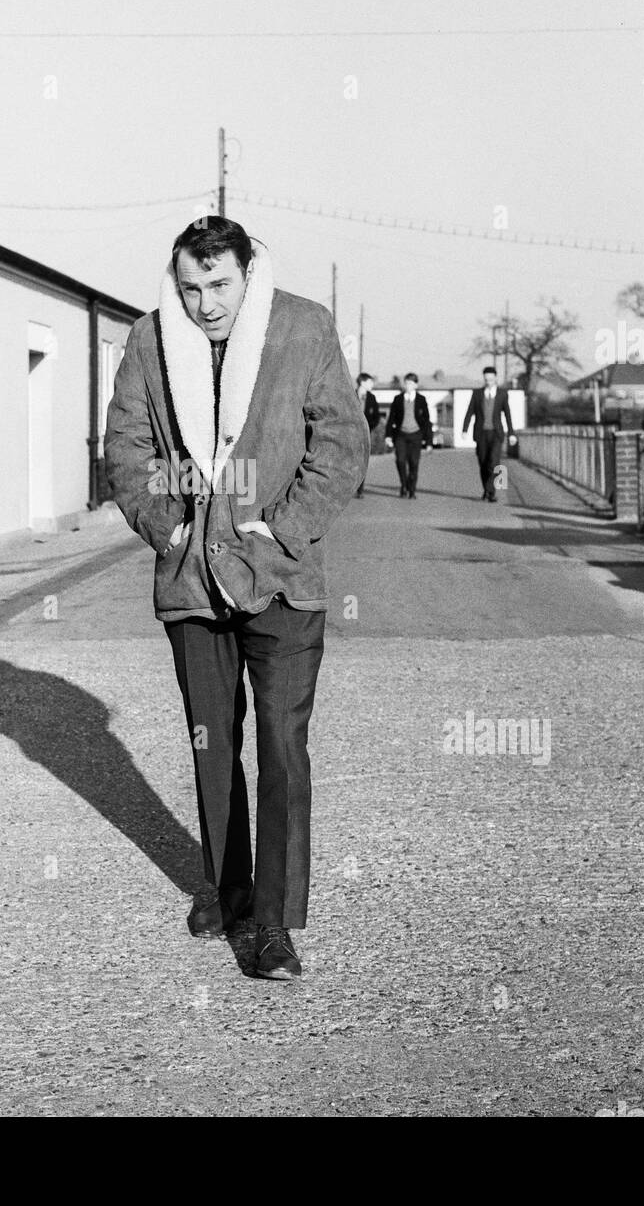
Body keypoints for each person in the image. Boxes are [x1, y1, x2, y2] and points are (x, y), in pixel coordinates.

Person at [104, 216, 368, 980]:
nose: (206, 303)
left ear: (248, 276)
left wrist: (281, 532)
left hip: (284, 578)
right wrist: (172, 526)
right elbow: (128, 450)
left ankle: (275, 923)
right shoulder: (150, 340)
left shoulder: (304, 328)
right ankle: (228, 889)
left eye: (220, 285)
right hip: (192, 581)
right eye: (191, 287)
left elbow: (341, 446)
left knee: (283, 749)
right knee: (211, 743)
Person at [462, 365, 517, 502]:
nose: (489, 382)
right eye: (486, 380)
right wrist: (464, 429)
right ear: (484, 379)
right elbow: (470, 412)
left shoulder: (502, 394)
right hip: (481, 433)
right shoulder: (477, 393)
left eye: (491, 380)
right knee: (483, 463)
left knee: (494, 463)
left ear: (495, 379)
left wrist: (511, 433)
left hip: (496, 433)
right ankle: (486, 490)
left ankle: (491, 492)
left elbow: (508, 414)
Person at [383, 372, 433, 498]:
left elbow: (427, 422)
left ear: (416, 385)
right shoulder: (398, 399)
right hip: (401, 435)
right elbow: (391, 419)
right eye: (406, 383)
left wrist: (429, 442)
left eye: (411, 383)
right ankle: (404, 485)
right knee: (400, 461)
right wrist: (388, 436)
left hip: (416, 435)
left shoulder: (421, 400)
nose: (408, 385)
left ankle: (412, 489)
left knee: (414, 463)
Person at [354, 372, 382, 496]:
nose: (372, 384)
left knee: (362, 462)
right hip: (350, 434)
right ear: (363, 382)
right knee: (350, 462)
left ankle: (360, 489)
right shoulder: (350, 394)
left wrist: (368, 427)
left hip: (365, 435)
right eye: (370, 382)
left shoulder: (372, 398)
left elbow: (376, 417)